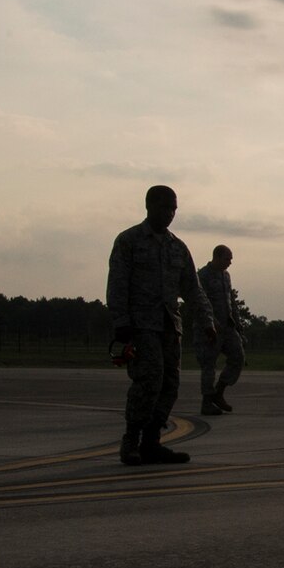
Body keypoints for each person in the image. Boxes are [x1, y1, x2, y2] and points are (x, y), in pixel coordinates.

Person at [107, 185, 216, 465]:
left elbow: (192, 288)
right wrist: (121, 321)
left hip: (169, 326)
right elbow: (117, 284)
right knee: (148, 381)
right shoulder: (129, 241)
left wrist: (207, 321)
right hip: (141, 325)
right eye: (165, 207)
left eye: (174, 209)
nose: (170, 214)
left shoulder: (177, 247)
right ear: (149, 206)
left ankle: (152, 442)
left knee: (170, 383)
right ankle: (131, 440)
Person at [196, 245, 245, 415]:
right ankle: (207, 402)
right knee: (209, 364)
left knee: (238, 356)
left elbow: (230, 300)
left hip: (227, 327)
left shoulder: (226, 276)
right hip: (209, 328)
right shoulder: (203, 276)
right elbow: (199, 302)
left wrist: (237, 322)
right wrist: (211, 323)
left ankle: (219, 392)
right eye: (227, 258)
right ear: (216, 257)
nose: (230, 262)